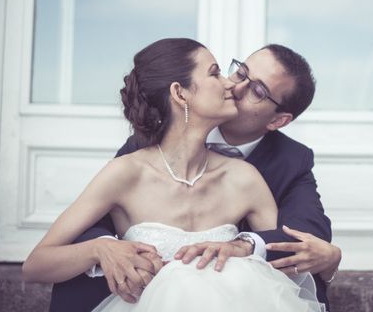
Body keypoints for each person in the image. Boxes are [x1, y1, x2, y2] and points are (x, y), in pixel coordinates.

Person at [23, 38, 326, 311]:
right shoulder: (129, 166)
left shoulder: (248, 179)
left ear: (279, 120)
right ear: (180, 93)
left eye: (257, 90)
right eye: (222, 72)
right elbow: (38, 263)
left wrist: (330, 260)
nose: (231, 85)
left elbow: (283, 265)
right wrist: (101, 248)